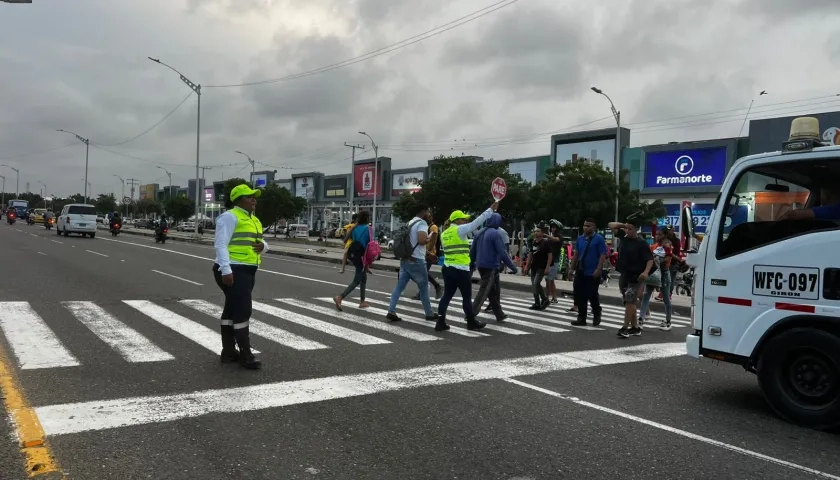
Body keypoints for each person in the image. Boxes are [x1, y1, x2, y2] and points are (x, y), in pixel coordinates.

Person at [212, 184, 268, 370]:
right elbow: (220, 244)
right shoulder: (230, 216)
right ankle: (246, 355)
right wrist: (226, 270)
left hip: (248, 269)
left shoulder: (254, 220)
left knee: (231, 310)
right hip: (234, 269)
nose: (254, 199)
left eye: (255, 197)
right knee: (243, 310)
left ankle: (228, 352)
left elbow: (256, 241)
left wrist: (264, 246)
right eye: (249, 196)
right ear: (238, 200)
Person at [435, 202, 497, 331]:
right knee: (466, 297)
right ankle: (471, 322)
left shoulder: (444, 233)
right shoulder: (460, 229)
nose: (465, 221)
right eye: (463, 219)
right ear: (457, 220)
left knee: (447, 295)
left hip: (447, 268)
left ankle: (440, 322)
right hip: (461, 269)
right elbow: (477, 222)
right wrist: (490, 210)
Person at [385, 204, 440, 323]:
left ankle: (391, 310)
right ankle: (429, 313)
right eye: (428, 211)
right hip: (416, 261)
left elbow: (413, 243)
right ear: (423, 211)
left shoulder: (410, 223)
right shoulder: (422, 223)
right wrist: (430, 236)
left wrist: (428, 254)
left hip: (405, 259)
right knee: (424, 286)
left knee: (400, 286)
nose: (429, 214)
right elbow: (421, 241)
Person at [609, 219, 654, 339]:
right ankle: (635, 327)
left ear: (636, 230)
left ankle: (625, 327)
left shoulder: (641, 243)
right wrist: (625, 225)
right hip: (624, 273)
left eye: (630, 229)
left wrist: (645, 272)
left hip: (636, 275)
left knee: (630, 300)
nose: (627, 231)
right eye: (626, 229)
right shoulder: (624, 238)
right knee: (628, 301)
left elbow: (650, 260)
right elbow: (611, 225)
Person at [471, 212, 518, 322]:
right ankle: (471, 314)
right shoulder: (495, 234)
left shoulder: (479, 233)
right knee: (484, 291)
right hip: (491, 266)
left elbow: (472, 251)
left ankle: (499, 313)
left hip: (480, 265)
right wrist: (513, 267)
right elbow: (503, 253)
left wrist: (471, 264)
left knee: (491, 291)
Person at [568, 218, 606, 326]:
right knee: (580, 295)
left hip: (593, 271)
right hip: (581, 270)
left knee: (592, 294)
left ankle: (597, 312)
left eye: (588, 226)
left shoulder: (599, 239)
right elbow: (576, 254)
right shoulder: (580, 239)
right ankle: (581, 318)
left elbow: (602, 255)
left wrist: (599, 269)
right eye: (584, 225)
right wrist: (571, 268)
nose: (586, 227)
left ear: (594, 227)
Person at [334, 210, 371, 311]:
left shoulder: (354, 228)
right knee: (357, 280)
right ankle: (340, 297)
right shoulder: (368, 229)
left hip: (353, 254)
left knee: (363, 278)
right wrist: (368, 262)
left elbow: (345, 240)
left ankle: (362, 301)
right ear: (367, 218)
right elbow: (370, 246)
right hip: (362, 256)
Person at [639, 230, 674, 331]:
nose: (657, 236)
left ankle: (668, 322)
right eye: (657, 234)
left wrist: (657, 260)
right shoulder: (653, 246)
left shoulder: (668, 246)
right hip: (653, 273)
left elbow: (667, 259)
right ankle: (641, 318)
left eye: (660, 234)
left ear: (664, 235)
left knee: (666, 298)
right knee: (646, 296)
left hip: (663, 274)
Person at [522, 223, 553, 310]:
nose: (536, 233)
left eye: (538, 231)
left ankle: (544, 300)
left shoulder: (546, 242)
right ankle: (537, 303)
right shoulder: (533, 242)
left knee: (536, 283)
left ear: (542, 233)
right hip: (534, 266)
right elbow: (530, 255)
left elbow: (550, 255)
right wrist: (527, 266)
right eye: (535, 231)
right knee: (534, 285)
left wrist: (547, 267)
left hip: (542, 267)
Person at [414, 216, 443, 300]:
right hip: (425, 253)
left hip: (429, 254)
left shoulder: (433, 227)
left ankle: (436, 287)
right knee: (423, 273)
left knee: (423, 273)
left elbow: (434, 240)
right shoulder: (426, 227)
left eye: (430, 217)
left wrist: (428, 252)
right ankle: (435, 287)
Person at [546, 221, 564, 303]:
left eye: (554, 227)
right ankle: (554, 297)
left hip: (555, 261)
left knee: (548, 279)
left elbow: (556, 239)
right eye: (552, 227)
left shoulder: (559, 236)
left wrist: (545, 235)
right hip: (549, 260)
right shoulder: (551, 236)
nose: (553, 229)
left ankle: (547, 298)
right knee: (551, 280)